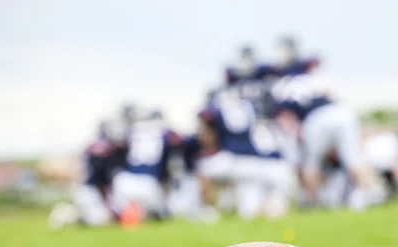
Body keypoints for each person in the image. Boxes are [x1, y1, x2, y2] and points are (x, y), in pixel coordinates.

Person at [271, 73, 372, 210]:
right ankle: (371, 194)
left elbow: (289, 124)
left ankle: (314, 204)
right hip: (342, 111)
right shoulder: (310, 84)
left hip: (315, 119)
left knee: (311, 165)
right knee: (354, 161)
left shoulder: (284, 94)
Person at [197, 92, 292, 220]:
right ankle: (270, 210)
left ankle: (208, 212)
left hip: (233, 159)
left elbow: (207, 135)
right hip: (257, 162)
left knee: (204, 169)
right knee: (249, 212)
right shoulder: (252, 107)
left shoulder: (218, 107)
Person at [48, 120, 125, 229]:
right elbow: (99, 180)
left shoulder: (91, 147)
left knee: (101, 218)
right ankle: (65, 212)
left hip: (84, 189)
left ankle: (72, 214)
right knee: (102, 220)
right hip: (90, 191)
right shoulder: (104, 151)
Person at [111, 109, 181, 221]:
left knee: (123, 209)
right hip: (149, 183)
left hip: (125, 182)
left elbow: (118, 143)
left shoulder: (134, 129)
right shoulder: (165, 131)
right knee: (161, 212)